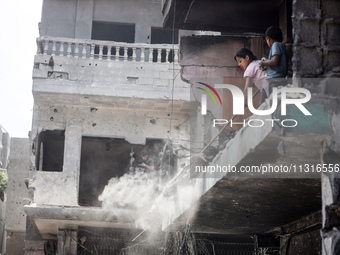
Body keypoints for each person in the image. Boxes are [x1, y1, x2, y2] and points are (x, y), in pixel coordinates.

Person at [260, 26, 288, 96]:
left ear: (268, 38)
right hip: (280, 80)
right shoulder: (282, 46)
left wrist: (263, 63)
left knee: (273, 104)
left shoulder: (275, 45)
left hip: (275, 81)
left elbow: (275, 62)